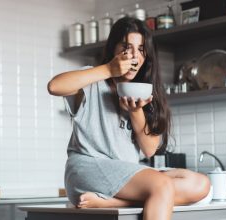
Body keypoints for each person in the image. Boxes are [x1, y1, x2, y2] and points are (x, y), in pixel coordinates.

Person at [48, 17, 210, 220]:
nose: (135, 56)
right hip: (87, 169)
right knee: (161, 185)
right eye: (126, 47)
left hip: (128, 173)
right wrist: (108, 69)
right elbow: (54, 86)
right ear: (113, 50)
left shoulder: (145, 91)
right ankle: (142, 194)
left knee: (200, 184)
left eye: (141, 49)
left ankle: (115, 202)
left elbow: (149, 149)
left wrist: (135, 112)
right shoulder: (93, 80)